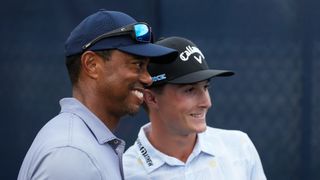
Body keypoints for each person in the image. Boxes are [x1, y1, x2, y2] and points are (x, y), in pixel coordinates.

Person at [18, 10, 178, 180]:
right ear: (91, 64)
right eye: (137, 65)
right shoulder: (72, 154)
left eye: (147, 67)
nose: (148, 79)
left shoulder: (83, 144)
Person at [123, 36, 267, 180]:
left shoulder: (239, 148)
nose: (206, 102)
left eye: (205, 87)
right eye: (190, 90)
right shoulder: (125, 172)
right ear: (151, 98)